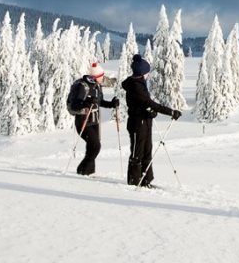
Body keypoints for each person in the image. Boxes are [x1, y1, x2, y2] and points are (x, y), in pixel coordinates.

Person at [122, 54, 182, 187]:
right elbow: (149, 103)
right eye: (147, 72)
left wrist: (149, 113)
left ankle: (146, 180)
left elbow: (144, 105)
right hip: (137, 123)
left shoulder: (140, 83)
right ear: (142, 73)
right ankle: (134, 181)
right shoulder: (135, 86)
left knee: (147, 150)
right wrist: (170, 112)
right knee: (137, 152)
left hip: (144, 122)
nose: (148, 74)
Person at [68, 62, 119, 176]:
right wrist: (87, 102)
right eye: (101, 75)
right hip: (83, 120)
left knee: (93, 146)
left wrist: (112, 104)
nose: (102, 77)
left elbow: (100, 102)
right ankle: (83, 170)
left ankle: (90, 172)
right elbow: (75, 104)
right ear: (95, 77)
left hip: (94, 120)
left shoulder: (96, 86)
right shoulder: (83, 86)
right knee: (95, 146)